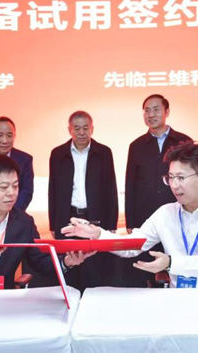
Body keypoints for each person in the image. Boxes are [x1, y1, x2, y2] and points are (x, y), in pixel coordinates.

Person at [63, 141, 198, 289]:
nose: (174, 185)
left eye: (181, 178)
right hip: (179, 300)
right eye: (170, 177)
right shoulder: (165, 214)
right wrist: (98, 234)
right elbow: (132, 246)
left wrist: (171, 263)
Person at [0, 154, 93, 290]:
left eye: (15, 186)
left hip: (2, 299)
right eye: (4, 187)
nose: (11, 193)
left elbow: (40, 262)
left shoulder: (24, 222)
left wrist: (67, 261)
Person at [121, 94, 191, 286]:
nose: (151, 114)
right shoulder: (136, 146)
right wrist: (131, 221)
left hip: (179, 215)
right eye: (147, 110)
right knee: (145, 267)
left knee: (177, 263)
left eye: (156, 109)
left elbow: (190, 179)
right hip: (146, 218)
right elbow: (130, 184)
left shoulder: (183, 142)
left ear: (166, 112)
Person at [48, 111, 119, 289]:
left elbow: (111, 189)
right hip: (67, 217)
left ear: (92, 129)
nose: (81, 133)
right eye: (77, 128)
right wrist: (53, 224)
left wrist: (112, 224)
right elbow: (52, 190)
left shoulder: (104, 153)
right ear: (69, 130)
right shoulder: (58, 154)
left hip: (95, 217)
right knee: (69, 264)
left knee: (96, 266)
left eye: (85, 128)